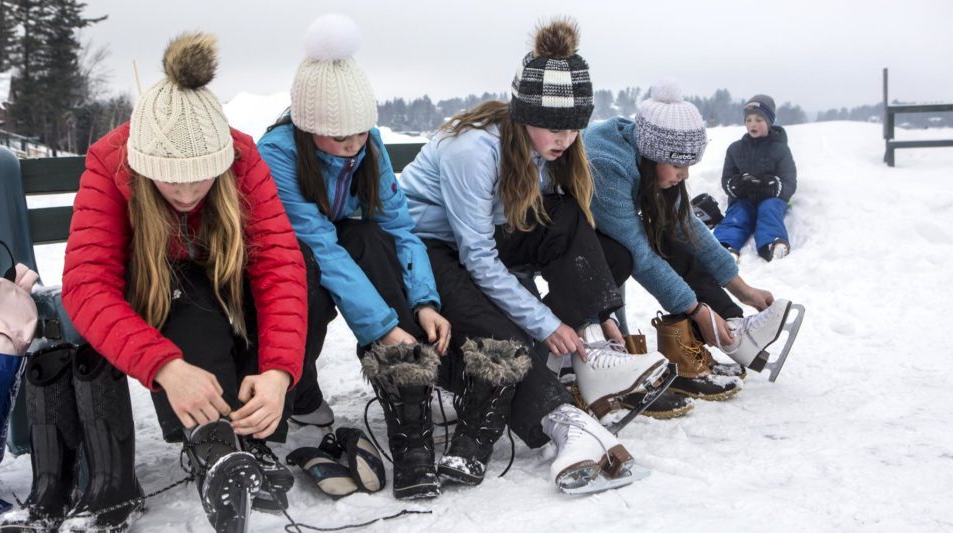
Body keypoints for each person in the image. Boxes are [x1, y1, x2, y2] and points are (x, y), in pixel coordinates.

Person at [400, 18, 666, 494]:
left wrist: (605, 314)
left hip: (483, 238)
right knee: (512, 335)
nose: (563, 138)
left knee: (589, 232)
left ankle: (583, 361)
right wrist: (544, 322)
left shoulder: (548, 150)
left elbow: (561, 232)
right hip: (429, 249)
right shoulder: (473, 152)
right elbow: (477, 257)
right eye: (552, 126)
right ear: (524, 113)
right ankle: (562, 421)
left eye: (573, 128)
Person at [57, 33, 307, 532]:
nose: (189, 193)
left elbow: (279, 264)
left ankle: (245, 434)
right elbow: (86, 285)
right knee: (181, 290)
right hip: (159, 298)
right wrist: (166, 367)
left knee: (305, 279)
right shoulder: (111, 163)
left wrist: (278, 370)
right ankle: (216, 448)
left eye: (202, 178)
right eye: (172, 180)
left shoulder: (241, 156)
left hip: (227, 291)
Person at [257, 14, 453, 501]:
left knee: (371, 239)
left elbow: (398, 227)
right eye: (337, 137)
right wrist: (384, 326)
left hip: (341, 245)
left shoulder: (370, 145)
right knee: (313, 288)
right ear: (307, 127)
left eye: (359, 135)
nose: (350, 148)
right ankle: (300, 392)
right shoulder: (277, 154)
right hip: (288, 257)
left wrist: (424, 301)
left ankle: (407, 391)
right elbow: (319, 243)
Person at [583, 80, 798, 400]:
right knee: (623, 254)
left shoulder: (647, 149)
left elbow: (688, 226)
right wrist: (697, 310)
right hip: (554, 237)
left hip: (602, 237)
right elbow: (638, 256)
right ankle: (608, 357)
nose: (684, 175)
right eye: (679, 165)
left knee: (669, 233)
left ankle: (734, 329)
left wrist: (742, 290)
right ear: (655, 155)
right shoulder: (606, 163)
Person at [714, 94, 798, 261]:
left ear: (769, 122)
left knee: (768, 211)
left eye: (759, 119)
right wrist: (738, 185)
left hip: (770, 198)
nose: (753, 124)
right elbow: (727, 179)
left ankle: (772, 243)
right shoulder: (735, 149)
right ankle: (724, 246)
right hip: (744, 198)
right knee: (737, 215)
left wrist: (773, 186)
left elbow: (790, 182)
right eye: (749, 120)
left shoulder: (780, 149)